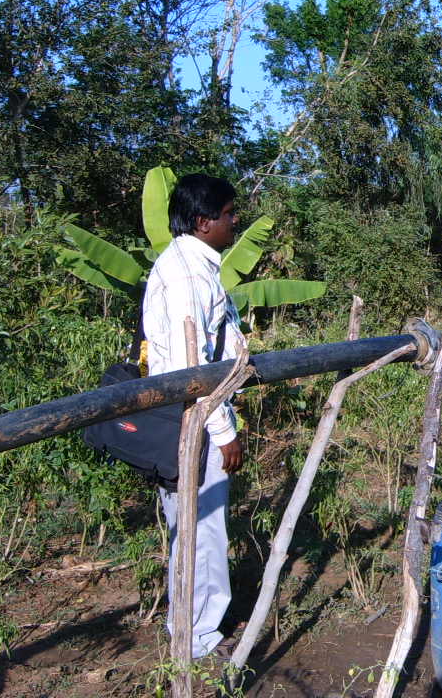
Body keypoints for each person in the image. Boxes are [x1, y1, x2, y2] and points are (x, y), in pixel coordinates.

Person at [143, 173, 245, 658]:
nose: (235, 221)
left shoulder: (197, 265)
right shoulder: (186, 273)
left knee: (198, 528)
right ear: (204, 221)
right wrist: (224, 431)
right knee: (200, 530)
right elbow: (192, 368)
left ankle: (193, 629)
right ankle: (198, 640)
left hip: (193, 414)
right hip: (194, 419)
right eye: (228, 214)